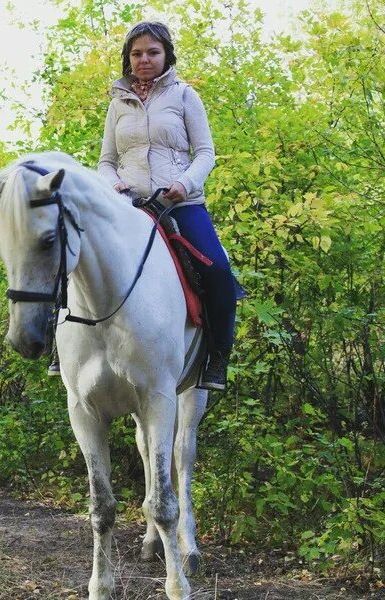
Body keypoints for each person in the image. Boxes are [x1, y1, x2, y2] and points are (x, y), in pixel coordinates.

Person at [96, 21, 237, 391]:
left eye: (153, 52)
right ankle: (62, 347)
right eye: (137, 53)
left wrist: (183, 184)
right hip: (129, 207)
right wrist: (114, 184)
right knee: (79, 254)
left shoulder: (185, 96)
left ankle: (217, 358)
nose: (145, 60)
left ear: (166, 55)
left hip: (179, 205)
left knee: (219, 271)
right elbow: (105, 161)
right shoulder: (117, 103)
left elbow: (206, 153)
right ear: (128, 58)